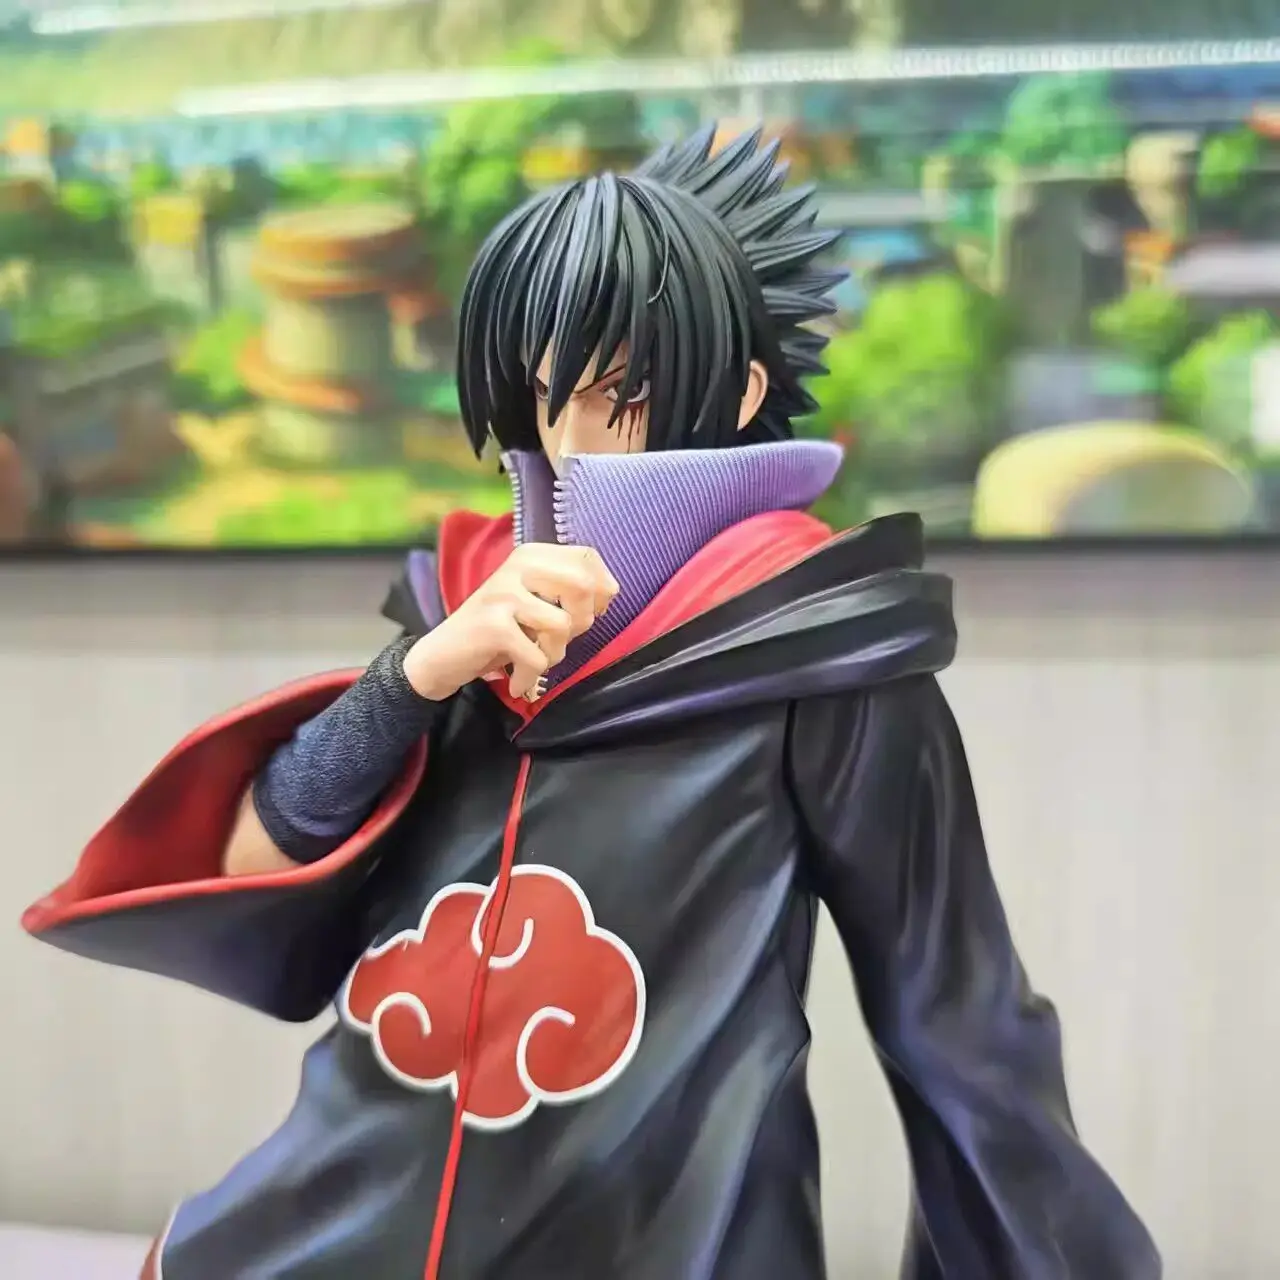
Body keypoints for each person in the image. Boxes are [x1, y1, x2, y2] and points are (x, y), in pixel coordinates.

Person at [23, 126, 1160, 1280]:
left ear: (738, 391)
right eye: (541, 392)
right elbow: (258, 852)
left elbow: (954, 1022)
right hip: (355, 1210)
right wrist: (415, 675)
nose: (569, 445)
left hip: (664, 1237)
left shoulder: (816, 664)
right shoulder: (469, 619)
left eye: (621, 394)